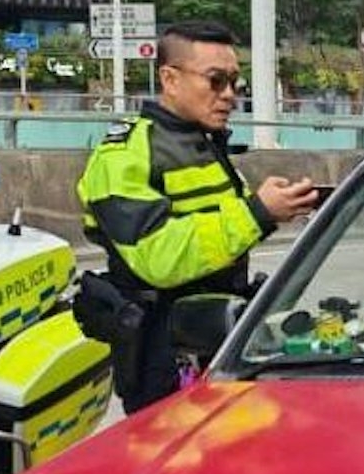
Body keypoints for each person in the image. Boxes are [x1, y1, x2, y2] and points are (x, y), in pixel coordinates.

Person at [76, 20, 321, 412]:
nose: (229, 95)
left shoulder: (205, 145)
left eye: (235, 83)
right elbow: (158, 257)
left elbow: (225, 232)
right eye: (215, 81)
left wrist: (279, 206)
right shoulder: (122, 154)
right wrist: (258, 213)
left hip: (219, 344)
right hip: (162, 355)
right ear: (170, 79)